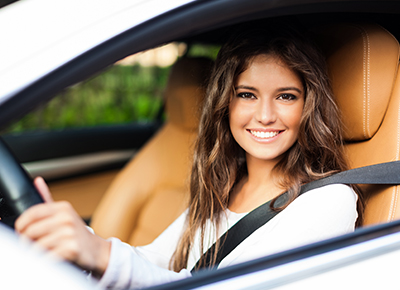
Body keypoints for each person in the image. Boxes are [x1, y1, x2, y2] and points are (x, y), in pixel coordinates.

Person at [15, 25, 362, 289]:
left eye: (286, 96)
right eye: (247, 95)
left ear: (309, 106)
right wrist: (82, 242)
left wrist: (103, 257)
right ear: (225, 103)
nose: (266, 116)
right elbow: (157, 259)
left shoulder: (329, 201)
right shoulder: (226, 184)